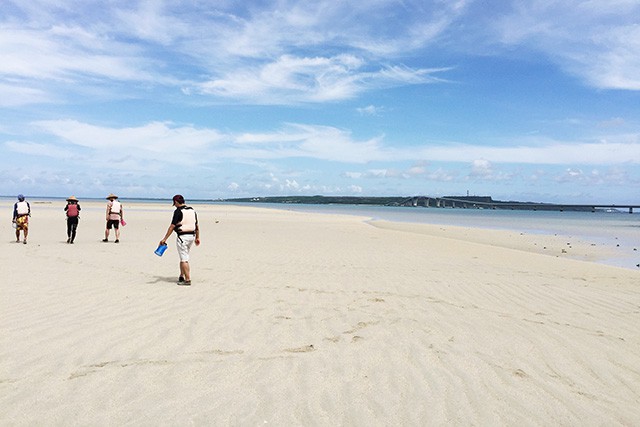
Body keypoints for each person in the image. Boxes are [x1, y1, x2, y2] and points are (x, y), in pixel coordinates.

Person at [159, 195, 200, 286]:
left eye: (174, 203)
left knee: (184, 259)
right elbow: (196, 225)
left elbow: (172, 226)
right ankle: (181, 275)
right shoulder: (192, 211)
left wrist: (164, 239)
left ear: (176, 202)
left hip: (183, 237)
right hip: (191, 236)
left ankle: (187, 279)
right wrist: (197, 237)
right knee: (184, 257)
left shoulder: (178, 211)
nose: (174, 205)